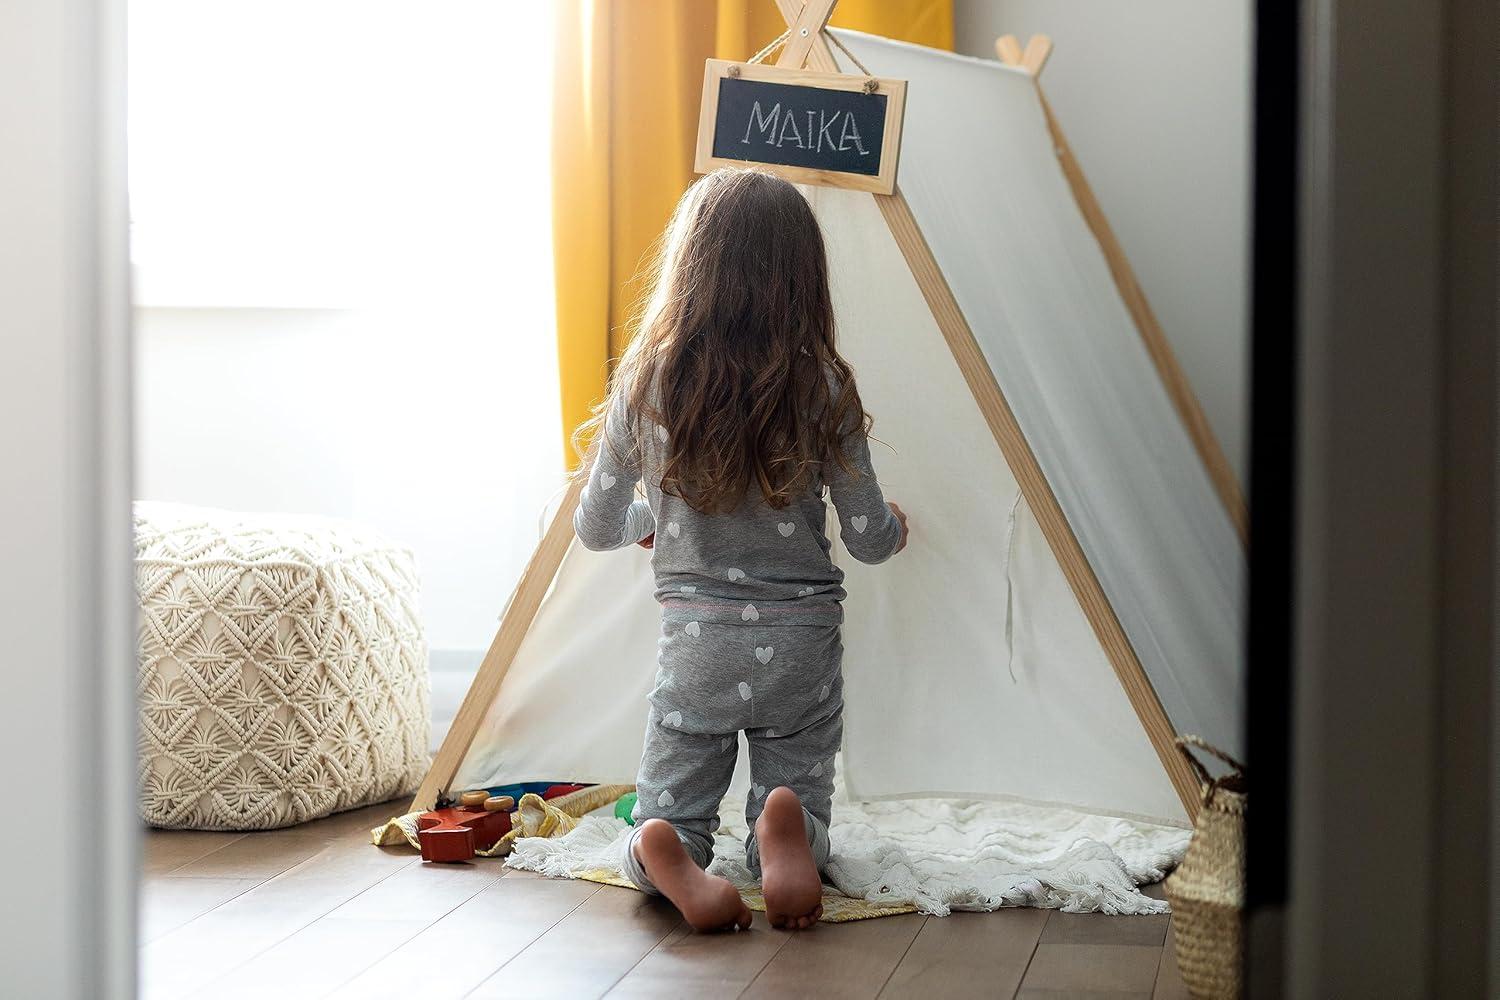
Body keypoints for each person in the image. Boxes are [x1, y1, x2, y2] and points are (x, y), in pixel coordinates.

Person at [573, 167, 909, 932]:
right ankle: (784, 836)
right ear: (802, 278)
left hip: (697, 648)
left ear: (689, 267)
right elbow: (867, 538)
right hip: (801, 643)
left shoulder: (645, 382)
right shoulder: (825, 386)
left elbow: (595, 527)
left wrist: (644, 524)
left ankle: (666, 850)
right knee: (800, 792)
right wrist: (894, 525)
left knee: (669, 816)